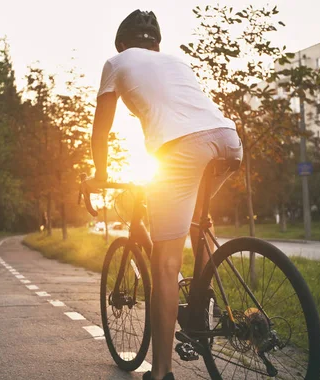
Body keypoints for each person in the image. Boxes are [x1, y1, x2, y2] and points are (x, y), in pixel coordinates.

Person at [83, 9, 243, 380]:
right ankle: (200, 312)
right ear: (156, 44)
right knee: (199, 223)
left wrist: (100, 176)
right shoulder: (177, 61)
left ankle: (161, 372)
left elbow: (101, 130)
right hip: (227, 140)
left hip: (179, 149)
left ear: (122, 44)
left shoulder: (115, 61)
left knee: (165, 264)